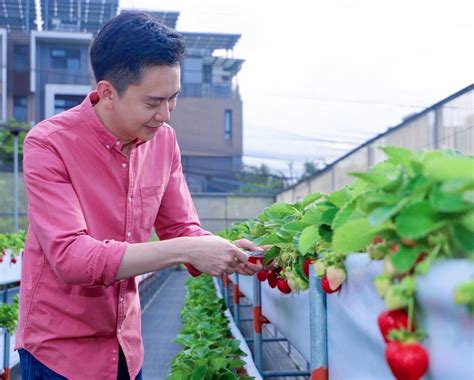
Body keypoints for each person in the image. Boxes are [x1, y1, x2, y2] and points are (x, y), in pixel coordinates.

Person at [15, 11, 263, 380]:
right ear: (107, 93)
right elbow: (71, 258)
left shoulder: (163, 141)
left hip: (126, 345)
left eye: (173, 99)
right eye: (152, 102)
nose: (165, 114)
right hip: (60, 351)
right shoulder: (49, 144)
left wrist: (222, 248)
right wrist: (185, 250)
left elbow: (182, 228)